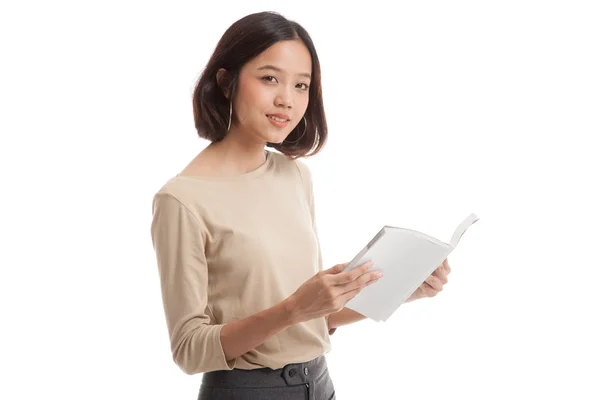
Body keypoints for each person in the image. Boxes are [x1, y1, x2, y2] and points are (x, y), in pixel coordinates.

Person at [150, 11, 451, 399]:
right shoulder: (182, 199)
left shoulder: (294, 175)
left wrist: (403, 288)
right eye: (269, 78)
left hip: (319, 384)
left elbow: (311, 320)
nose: (286, 100)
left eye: (302, 85)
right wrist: (292, 308)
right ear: (226, 82)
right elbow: (189, 350)